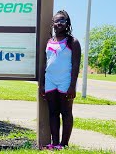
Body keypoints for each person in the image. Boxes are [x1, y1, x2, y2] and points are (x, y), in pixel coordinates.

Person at [40, 10, 81, 149]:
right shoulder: (49, 41)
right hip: (50, 80)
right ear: (52, 24)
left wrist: (72, 86)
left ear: (67, 23)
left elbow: (76, 65)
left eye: (62, 20)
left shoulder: (72, 42)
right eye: (56, 21)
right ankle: (55, 143)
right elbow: (45, 63)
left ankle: (64, 144)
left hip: (65, 81)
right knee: (53, 113)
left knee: (66, 112)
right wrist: (42, 85)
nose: (59, 23)